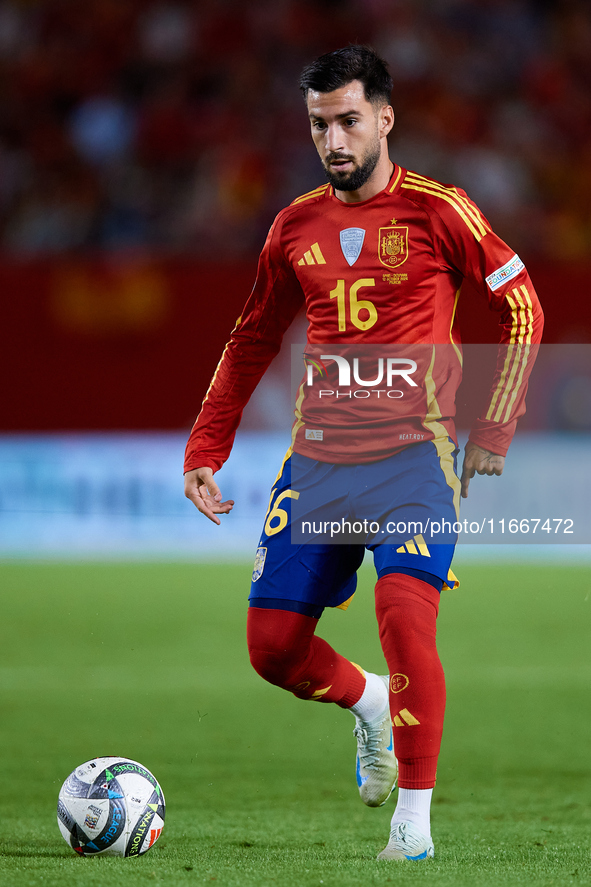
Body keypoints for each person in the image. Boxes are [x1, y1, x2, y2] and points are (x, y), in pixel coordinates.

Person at [183, 45, 543, 862]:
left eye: (347, 120)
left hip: (412, 460)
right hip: (316, 468)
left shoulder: (440, 211)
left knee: (404, 615)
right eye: (318, 125)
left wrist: (491, 428)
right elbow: (250, 338)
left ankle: (410, 826)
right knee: (271, 650)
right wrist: (206, 444)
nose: (333, 140)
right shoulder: (293, 226)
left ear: (384, 118)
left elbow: (520, 305)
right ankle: (372, 704)